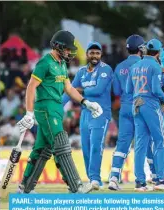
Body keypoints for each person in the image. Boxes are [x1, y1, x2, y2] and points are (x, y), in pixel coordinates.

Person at [17, 30, 103, 194]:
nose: (69, 52)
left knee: (43, 149)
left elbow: (69, 88)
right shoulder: (45, 63)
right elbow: (31, 87)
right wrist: (29, 112)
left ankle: (25, 188)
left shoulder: (62, 64)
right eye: (67, 49)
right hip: (46, 108)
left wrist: (85, 102)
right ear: (58, 46)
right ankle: (76, 186)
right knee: (61, 142)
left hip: (56, 108)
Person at [126, 39, 164, 191]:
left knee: (141, 144)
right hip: (150, 104)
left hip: (136, 104)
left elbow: (129, 89)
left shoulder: (135, 66)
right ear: (159, 52)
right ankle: (161, 180)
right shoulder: (155, 66)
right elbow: (156, 90)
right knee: (161, 140)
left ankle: (140, 182)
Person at [62, 41, 113, 192]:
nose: (95, 56)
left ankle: (95, 179)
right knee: (86, 147)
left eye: (97, 53)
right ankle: (92, 179)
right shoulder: (82, 72)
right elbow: (70, 92)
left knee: (96, 146)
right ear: (87, 54)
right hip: (86, 114)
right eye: (92, 52)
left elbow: (98, 90)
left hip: (101, 113)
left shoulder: (106, 69)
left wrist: (81, 90)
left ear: (101, 55)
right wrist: (57, 107)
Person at [108, 34, 146, 190]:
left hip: (124, 107)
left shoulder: (119, 67)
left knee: (122, 144)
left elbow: (116, 91)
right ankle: (147, 180)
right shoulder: (145, 64)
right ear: (141, 49)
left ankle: (113, 178)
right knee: (144, 143)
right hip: (141, 106)